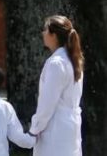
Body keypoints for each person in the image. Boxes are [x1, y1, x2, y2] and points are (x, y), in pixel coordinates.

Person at [29, 15, 84, 155]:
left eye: (45, 30)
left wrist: (34, 129)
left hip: (55, 129)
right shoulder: (74, 60)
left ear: (53, 35)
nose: (43, 33)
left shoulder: (56, 64)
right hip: (70, 128)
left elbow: (47, 104)